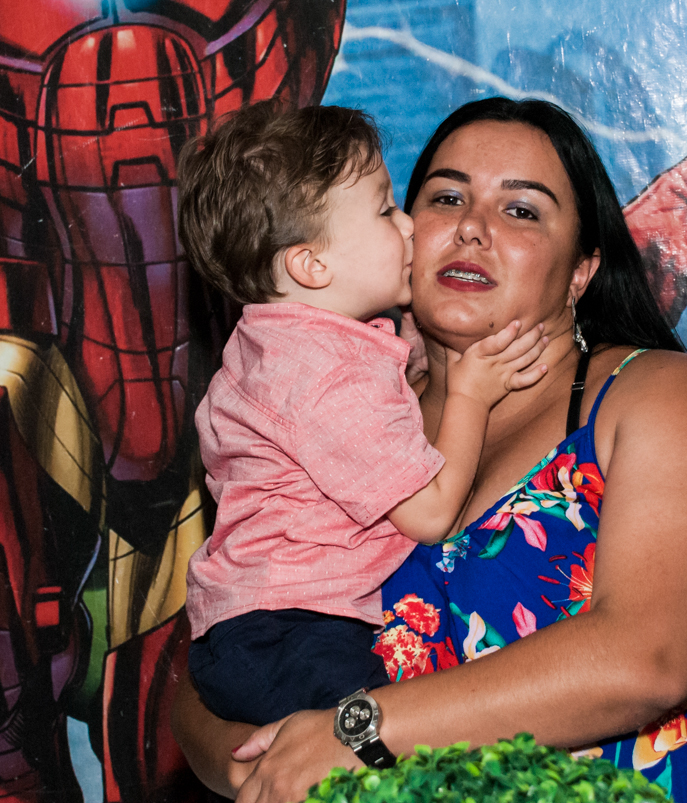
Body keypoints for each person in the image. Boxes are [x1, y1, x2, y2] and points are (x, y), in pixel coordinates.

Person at [171, 97, 687, 803]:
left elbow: (648, 657)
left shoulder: (660, 396)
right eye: (446, 197)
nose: (471, 228)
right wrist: (252, 761)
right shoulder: (334, 413)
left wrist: (357, 728)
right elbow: (211, 669)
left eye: (521, 211)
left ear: (580, 271)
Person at [176, 102, 549, 727]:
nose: (408, 226)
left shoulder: (277, 344)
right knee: (383, 759)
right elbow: (429, 514)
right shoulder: (325, 374)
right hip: (293, 633)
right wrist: (469, 395)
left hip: (253, 632)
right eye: (384, 210)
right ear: (311, 265)